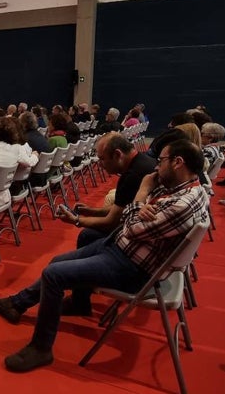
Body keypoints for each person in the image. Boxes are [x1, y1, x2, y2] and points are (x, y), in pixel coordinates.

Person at [0, 139, 209, 373]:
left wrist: (142, 193)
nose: (156, 166)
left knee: (53, 274)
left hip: (133, 267)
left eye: (161, 160)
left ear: (178, 162)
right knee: (57, 262)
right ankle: (18, 304)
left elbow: (130, 226)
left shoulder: (179, 202)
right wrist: (139, 208)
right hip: (123, 248)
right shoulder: (186, 187)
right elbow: (132, 221)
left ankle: (41, 348)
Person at [55, 133, 157, 313]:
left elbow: (111, 222)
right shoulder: (143, 162)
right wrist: (91, 211)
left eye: (102, 159)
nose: (100, 164)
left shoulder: (133, 176)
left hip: (135, 248)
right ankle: (83, 291)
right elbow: (119, 209)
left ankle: (80, 300)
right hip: (145, 236)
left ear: (118, 154)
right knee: (88, 235)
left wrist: (77, 220)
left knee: (87, 236)